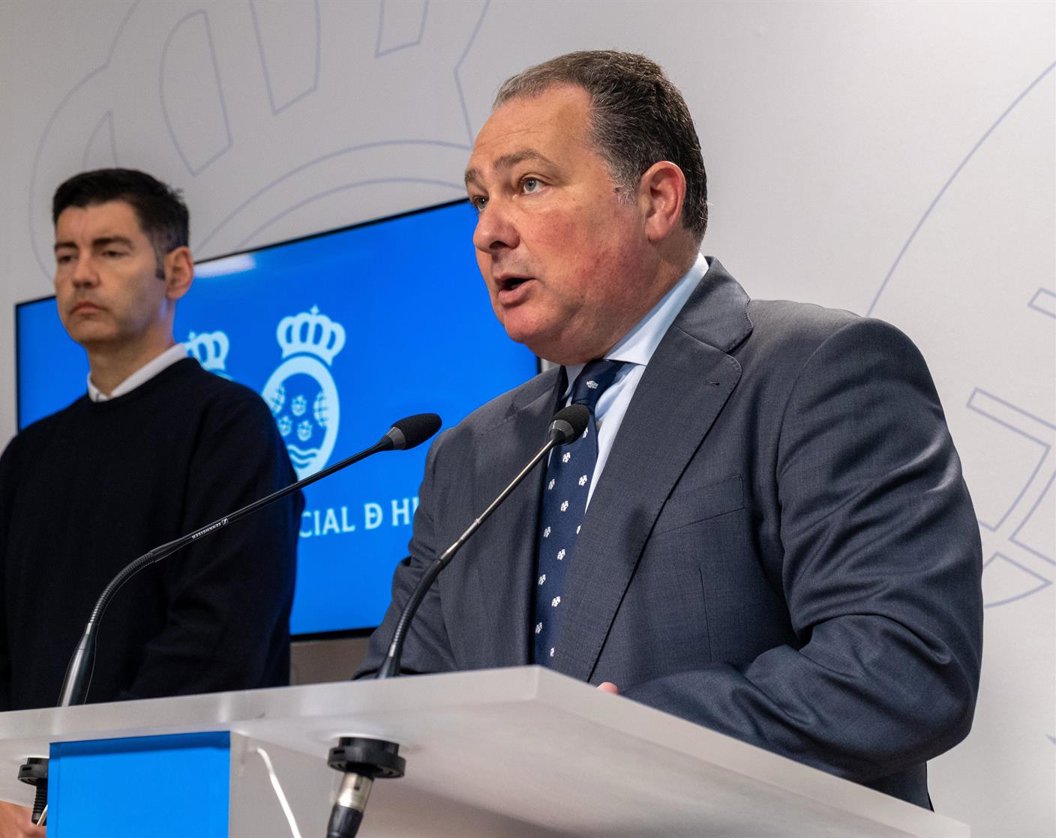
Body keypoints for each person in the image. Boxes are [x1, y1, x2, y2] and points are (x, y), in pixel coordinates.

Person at [358, 51, 982, 809]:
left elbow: (904, 666)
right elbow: (394, 702)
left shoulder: (818, 372)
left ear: (656, 200)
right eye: (478, 200)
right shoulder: (469, 455)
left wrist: (630, 739)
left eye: (529, 184)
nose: (487, 232)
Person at [0, 168, 301, 836]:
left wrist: (84, 784)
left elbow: (219, 637)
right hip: (30, 813)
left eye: (110, 251)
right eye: (65, 255)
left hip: (175, 802)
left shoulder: (229, 427)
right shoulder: (30, 454)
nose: (81, 275)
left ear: (177, 272)